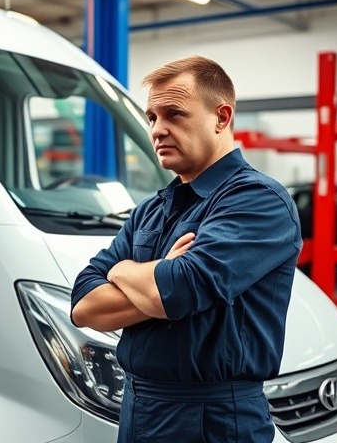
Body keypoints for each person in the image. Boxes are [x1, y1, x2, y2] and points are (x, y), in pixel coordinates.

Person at [70, 56, 301, 442]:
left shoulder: (259, 200)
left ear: (221, 117)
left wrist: (122, 270)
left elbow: (182, 288)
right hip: (139, 409)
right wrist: (159, 274)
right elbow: (83, 306)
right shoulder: (150, 210)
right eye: (151, 117)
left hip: (212, 419)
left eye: (174, 114)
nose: (158, 129)